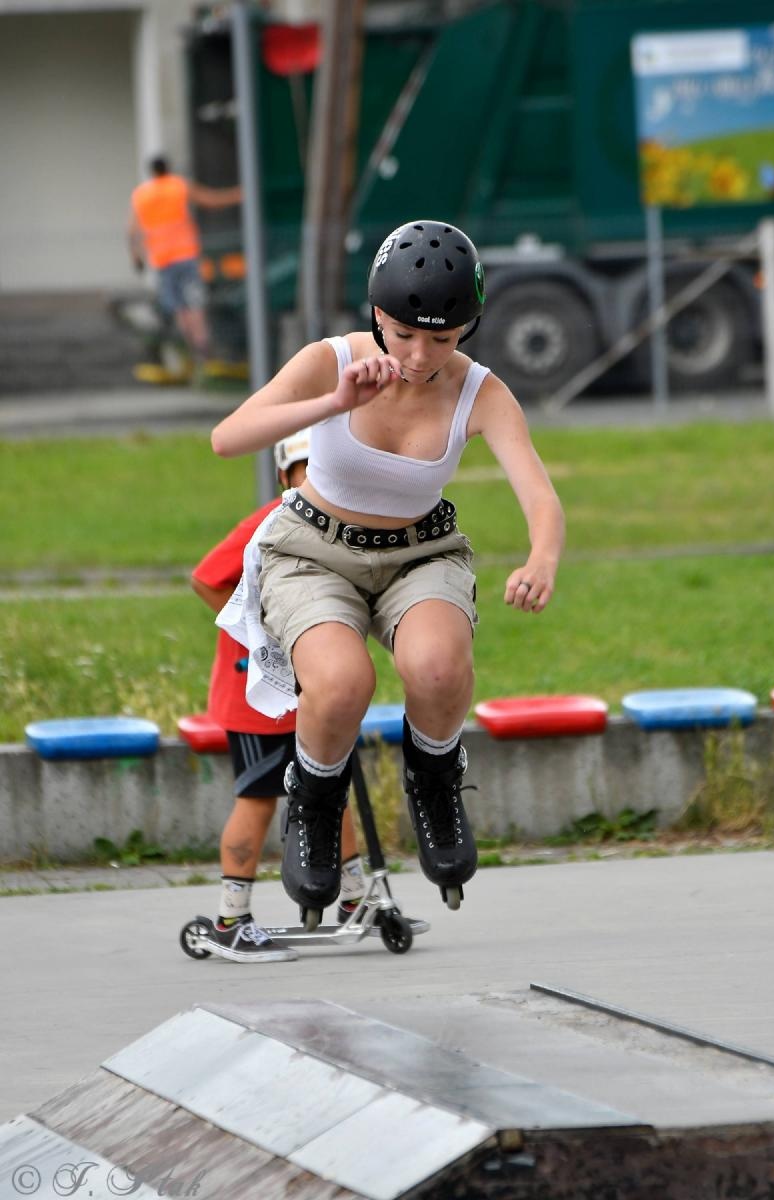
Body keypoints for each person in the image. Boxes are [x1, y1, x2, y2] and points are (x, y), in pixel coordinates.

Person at [210, 219, 565, 918]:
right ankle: (312, 803)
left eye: (443, 337)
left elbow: (539, 492)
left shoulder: (480, 392)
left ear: (468, 327)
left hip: (419, 553)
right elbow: (228, 438)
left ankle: (434, 780)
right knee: (342, 685)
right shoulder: (329, 360)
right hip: (312, 553)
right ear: (377, 314)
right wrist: (334, 404)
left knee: (437, 667)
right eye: (404, 334)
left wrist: (542, 557)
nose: (420, 355)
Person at [190, 429, 406, 961]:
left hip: (311, 691)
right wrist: (262, 625)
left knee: (330, 785)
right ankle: (229, 919)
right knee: (259, 800)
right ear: (286, 475)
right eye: (306, 470)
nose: (317, 480)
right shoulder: (267, 522)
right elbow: (206, 579)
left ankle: (355, 899)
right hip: (256, 694)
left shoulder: (343, 528)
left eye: (327, 469)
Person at [128, 155, 241, 370]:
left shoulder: (141, 195)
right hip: (185, 254)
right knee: (195, 304)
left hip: (162, 259)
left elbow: (132, 231)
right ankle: (204, 349)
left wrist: (136, 256)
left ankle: (190, 353)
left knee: (179, 307)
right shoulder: (178, 186)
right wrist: (237, 194)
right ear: (168, 169)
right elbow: (210, 200)